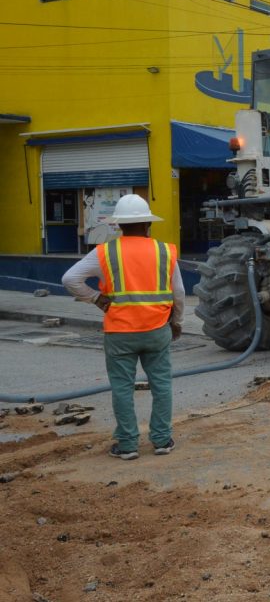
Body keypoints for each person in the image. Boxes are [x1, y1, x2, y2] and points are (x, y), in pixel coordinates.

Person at [62, 195, 184, 460]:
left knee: (122, 388)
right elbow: (179, 293)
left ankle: (128, 445)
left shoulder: (105, 253)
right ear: (148, 224)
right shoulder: (165, 251)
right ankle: (162, 440)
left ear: (118, 225)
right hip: (156, 329)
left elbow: (70, 279)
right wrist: (176, 322)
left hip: (120, 333)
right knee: (162, 385)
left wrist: (95, 298)